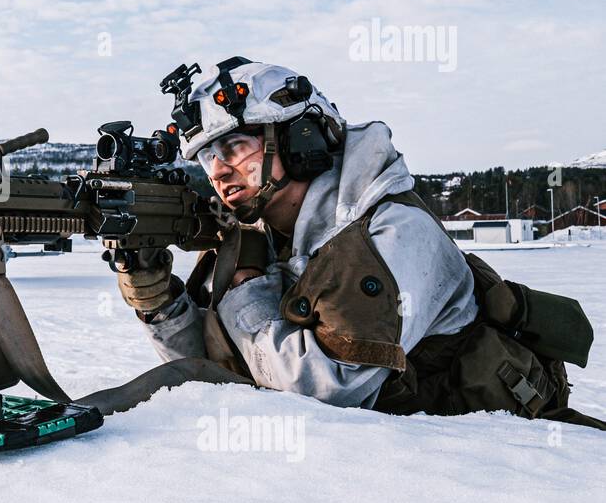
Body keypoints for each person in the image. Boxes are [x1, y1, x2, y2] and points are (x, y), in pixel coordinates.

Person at [115, 56, 602, 429]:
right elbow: (225, 368)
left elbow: (327, 390)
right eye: (206, 158)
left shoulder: (390, 233)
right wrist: (160, 304)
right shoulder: (267, 236)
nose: (219, 171)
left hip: (490, 466)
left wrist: (246, 289)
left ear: (299, 138)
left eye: (235, 147)